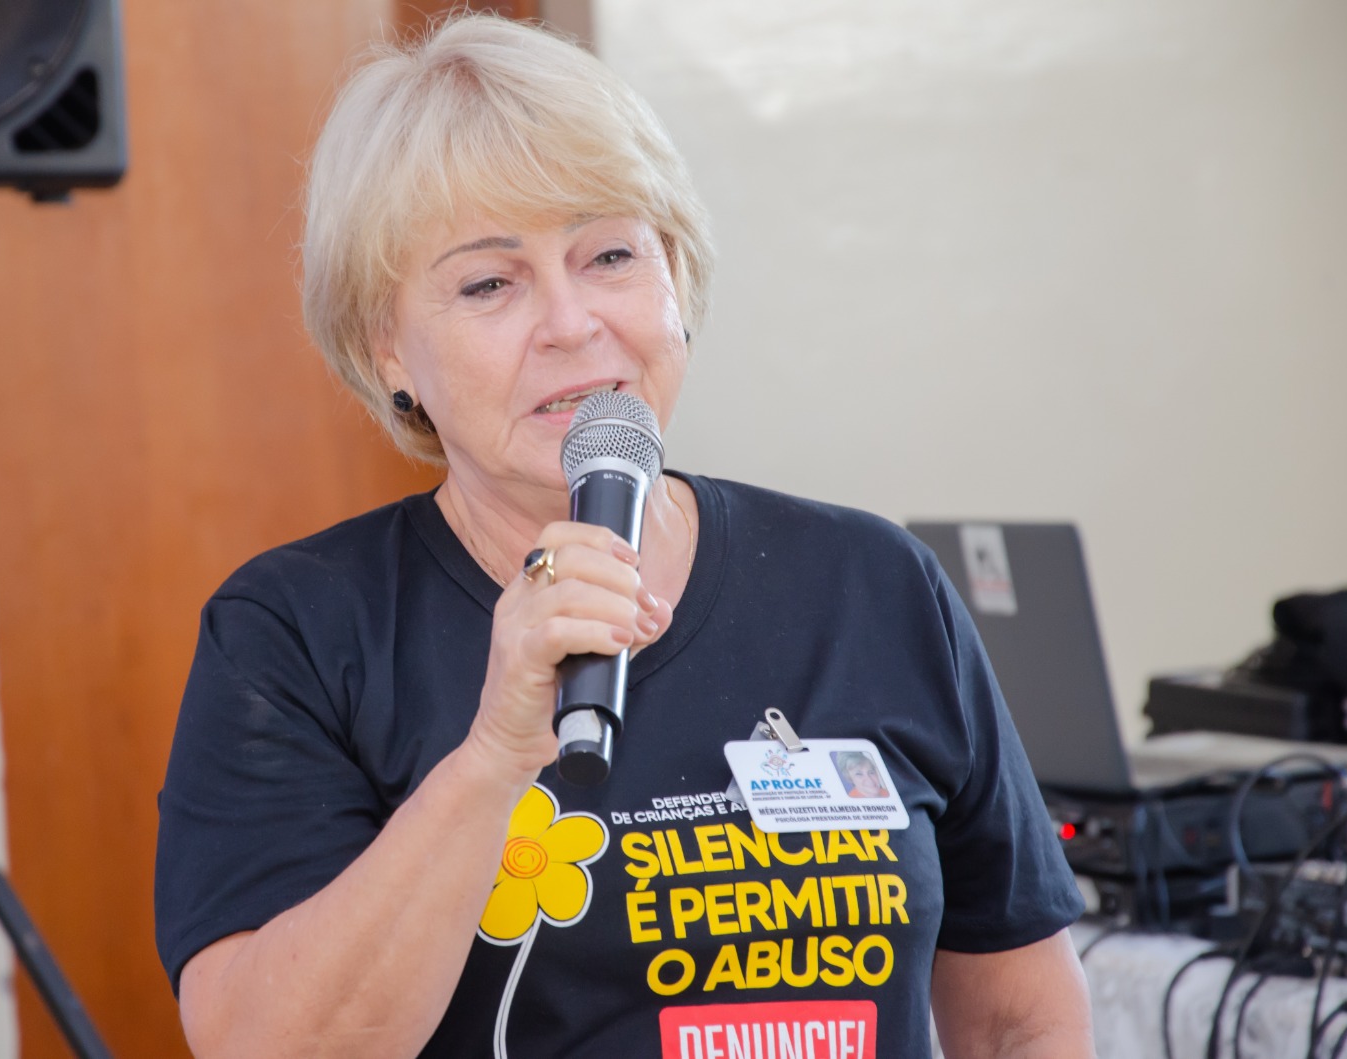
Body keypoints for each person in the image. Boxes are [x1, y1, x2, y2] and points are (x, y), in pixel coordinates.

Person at [154, 13, 1093, 1058]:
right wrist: (494, 755)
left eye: (608, 254)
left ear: (675, 281)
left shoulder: (874, 584)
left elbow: (1021, 1023)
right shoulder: (295, 631)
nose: (570, 322)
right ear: (387, 350)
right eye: (489, 283)